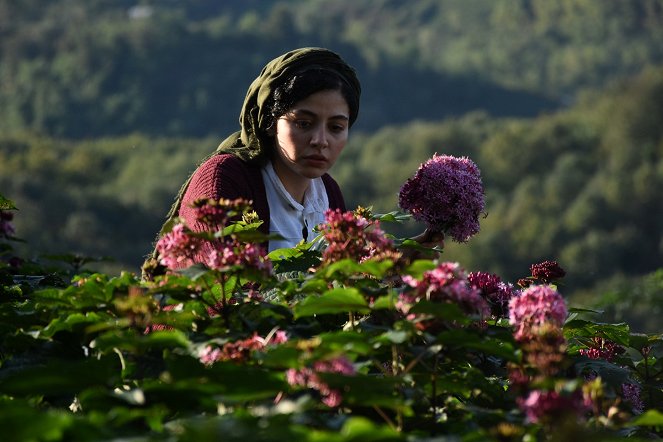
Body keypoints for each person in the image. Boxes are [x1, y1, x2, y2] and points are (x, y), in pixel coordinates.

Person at [143, 47, 442, 278]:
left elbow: (338, 290)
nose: (320, 140)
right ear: (271, 122)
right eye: (303, 123)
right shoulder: (226, 179)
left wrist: (398, 263)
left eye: (336, 127)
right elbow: (225, 295)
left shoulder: (328, 194)